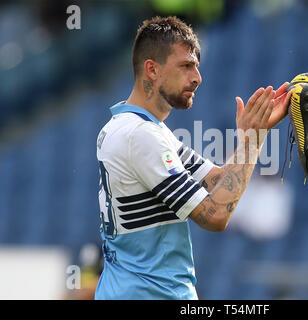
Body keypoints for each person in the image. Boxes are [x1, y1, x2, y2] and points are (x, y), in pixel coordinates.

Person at [94, 16, 292, 299]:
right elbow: (217, 215)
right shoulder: (140, 136)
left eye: (196, 66)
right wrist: (254, 138)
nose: (197, 77)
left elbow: (216, 182)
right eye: (186, 65)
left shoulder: (136, 128)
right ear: (152, 69)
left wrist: (252, 135)